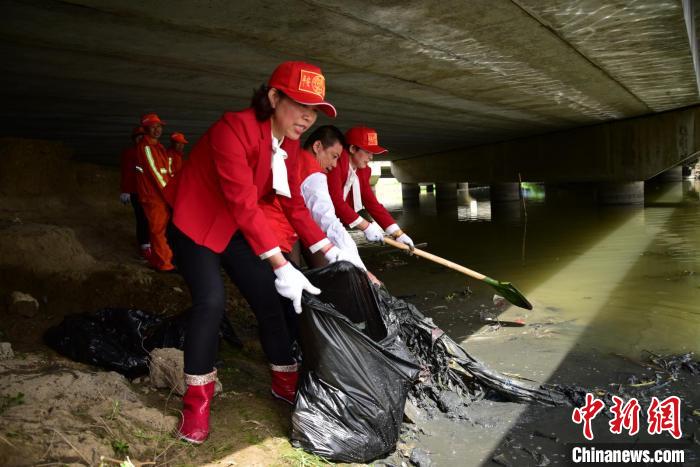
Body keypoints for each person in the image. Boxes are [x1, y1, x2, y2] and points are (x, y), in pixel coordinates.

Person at [165, 61, 350, 444]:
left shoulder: (289, 143)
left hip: (232, 227)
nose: (307, 116)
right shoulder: (233, 129)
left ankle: (284, 380)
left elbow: (294, 203)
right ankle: (196, 402)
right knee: (211, 302)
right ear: (273, 97)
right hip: (196, 223)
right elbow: (244, 201)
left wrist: (329, 251)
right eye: (300, 104)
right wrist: (282, 263)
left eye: (313, 109)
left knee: (268, 295)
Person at [259, 125, 371, 272]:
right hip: (272, 240)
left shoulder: (292, 158)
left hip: (267, 233)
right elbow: (329, 222)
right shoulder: (314, 175)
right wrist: (363, 270)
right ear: (317, 146)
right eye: (334, 156)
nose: (334, 165)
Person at [326, 125, 414, 249]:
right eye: (367, 151)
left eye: (372, 152)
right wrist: (366, 226)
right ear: (352, 148)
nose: (371, 157)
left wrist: (398, 233)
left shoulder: (363, 171)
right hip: (311, 219)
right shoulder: (335, 164)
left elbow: (372, 204)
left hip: (330, 222)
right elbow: (336, 201)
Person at [135, 113, 176, 272]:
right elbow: (156, 174)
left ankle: (161, 259)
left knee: (161, 229)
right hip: (154, 197)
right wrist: (170, 195)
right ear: (146, 129)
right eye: (153, 127)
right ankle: (165, 265)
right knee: (158, 230)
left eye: (159, 126)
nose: (157, 129)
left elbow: (166, 172)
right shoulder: (146, 147)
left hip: (160, 195)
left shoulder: (158, 147)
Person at [119, 125, 151, 260]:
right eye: (138, 137)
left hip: (149, 192)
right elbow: (127, 172)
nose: (141, 139)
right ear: (134, 139)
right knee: (143, 218)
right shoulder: (130, 153)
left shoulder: (149, 152)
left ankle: (149, 245)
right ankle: (145, 247)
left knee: (151, 218)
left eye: (143, 137)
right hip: (136, 192)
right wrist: (126, 190)